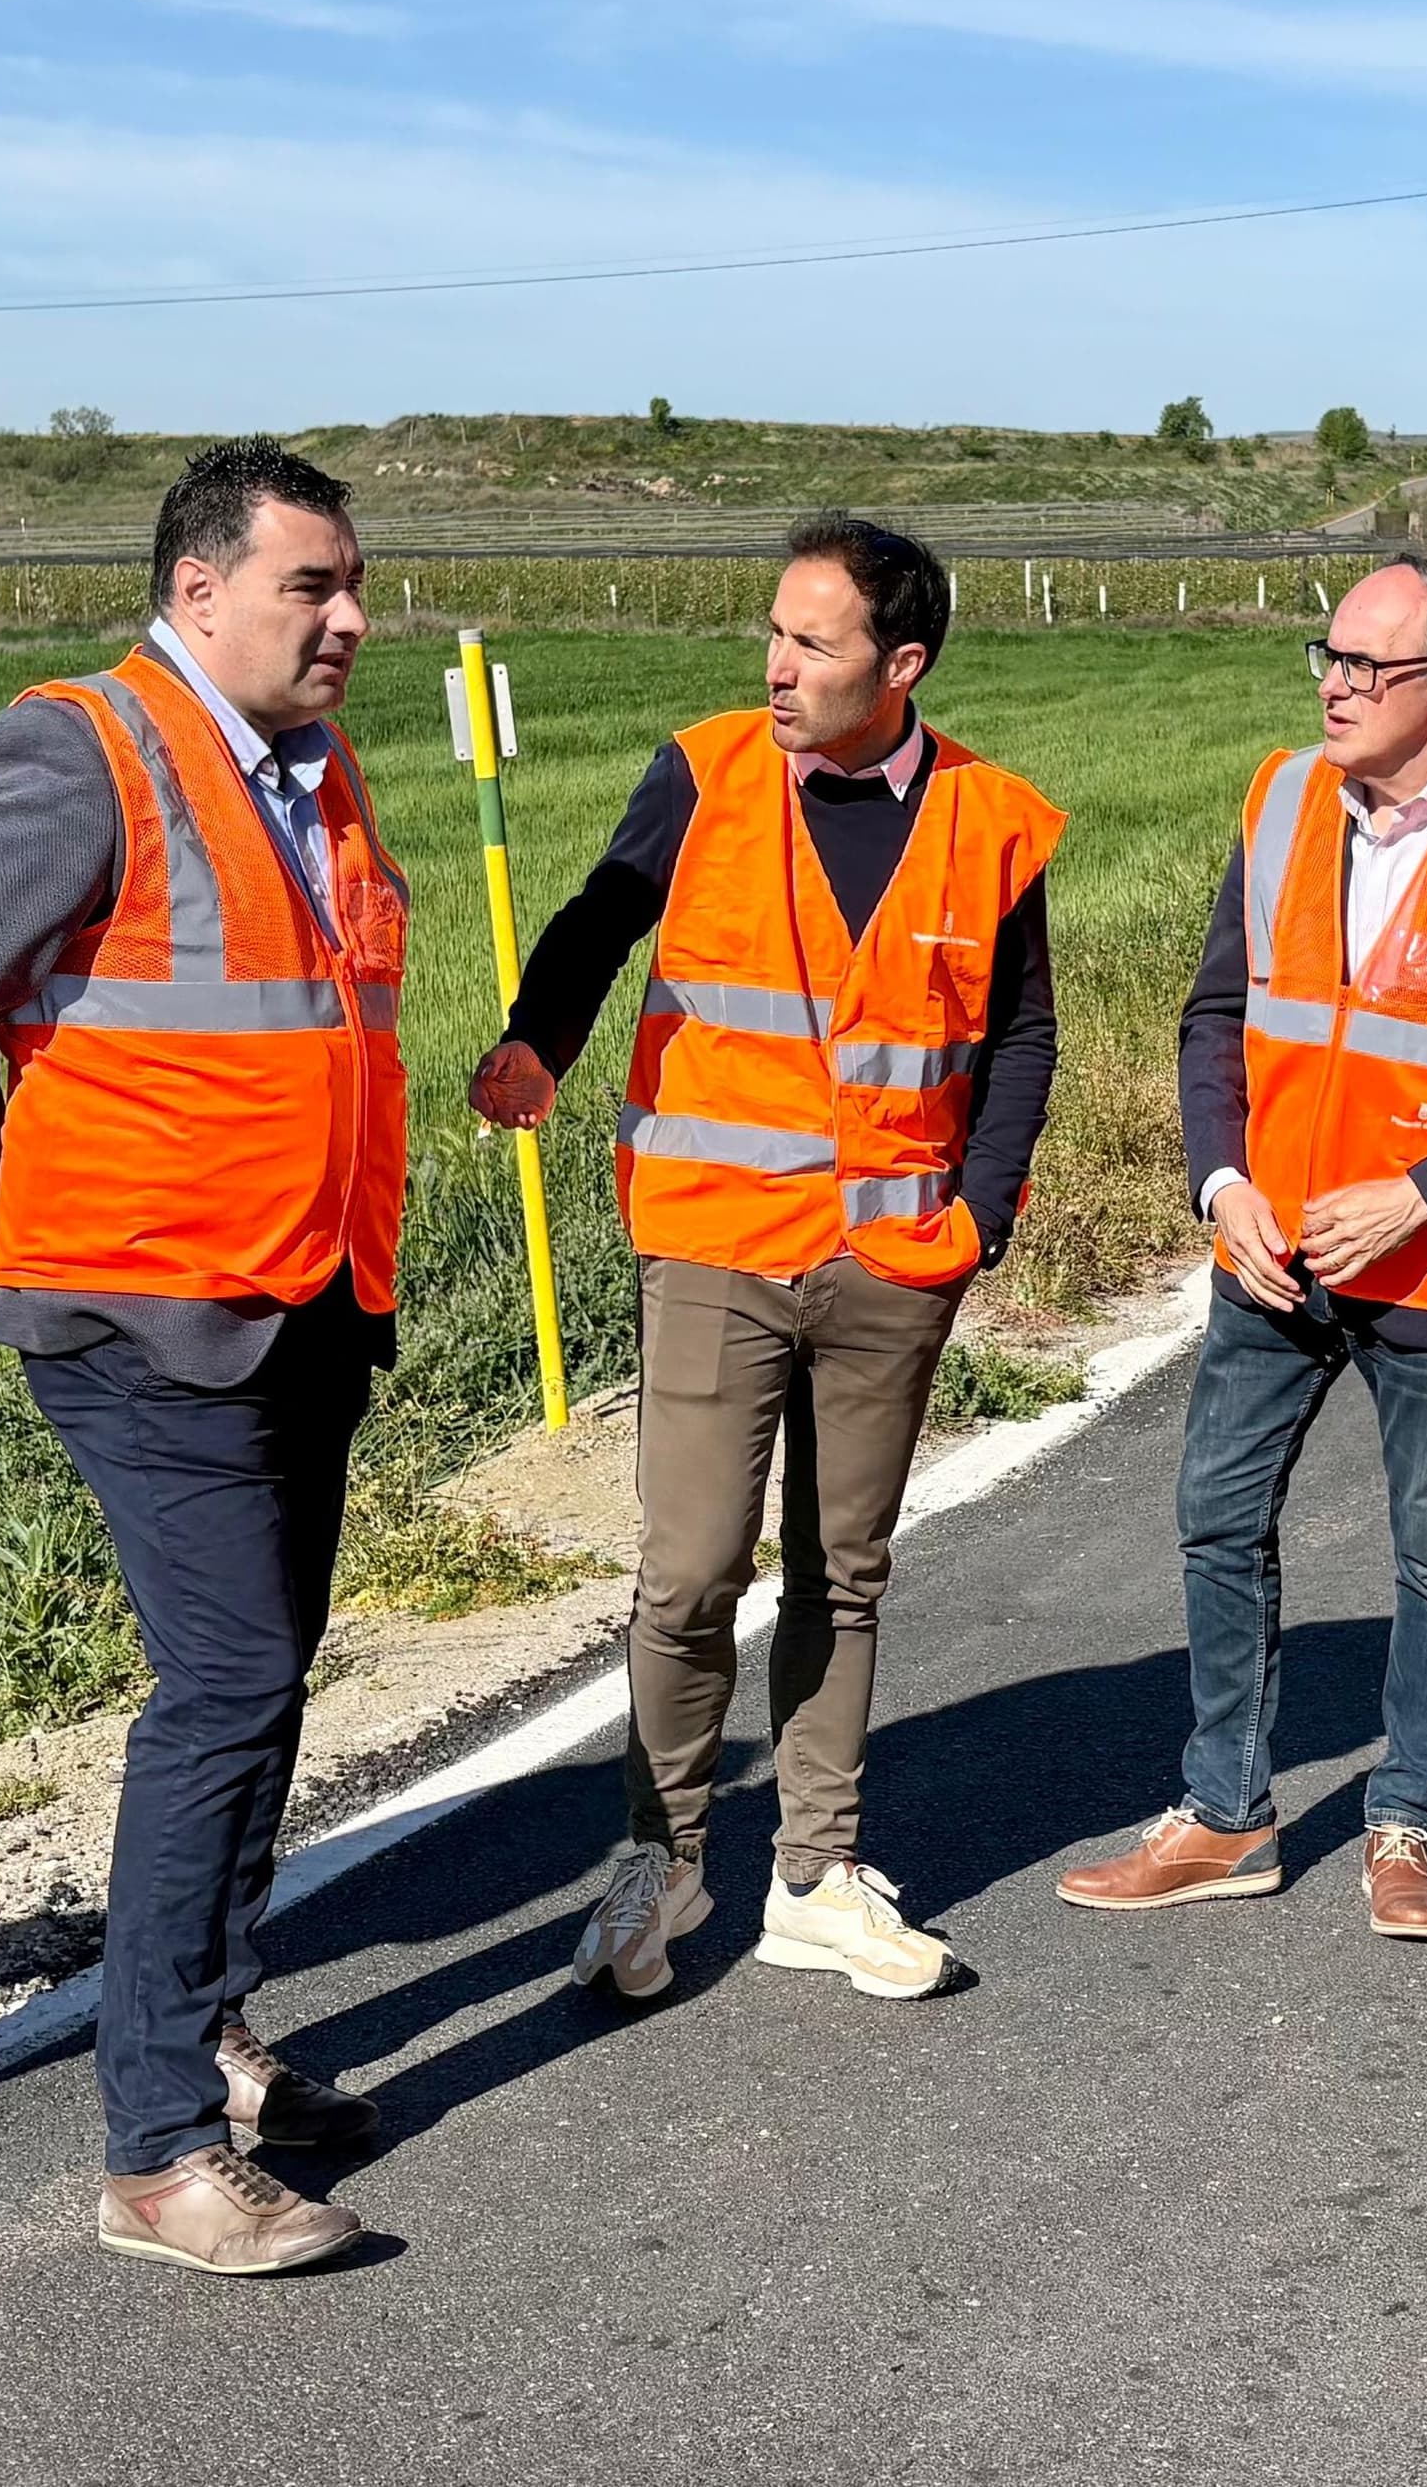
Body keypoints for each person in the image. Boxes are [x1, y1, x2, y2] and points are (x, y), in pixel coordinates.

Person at [0, 439, 402, 2277]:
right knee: (227, 1682)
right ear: (198, 589)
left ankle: (217, 2021)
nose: (348, 618)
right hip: (141, 1310)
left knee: (267, 1676)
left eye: (352, 585)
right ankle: (157, 2140)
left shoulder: (314, 778)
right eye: (309, 586)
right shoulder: (84, 747)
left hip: (304, 1298)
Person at [472, 516, 1063, 2004]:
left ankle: (815, 1873)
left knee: (842, 1573)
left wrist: (980, 1217)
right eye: (776, 633)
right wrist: (537, 1040)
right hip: (715, 1245)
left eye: (812, 641)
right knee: (685, 1574)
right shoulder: (706, 769)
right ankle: (659, 1860)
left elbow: (1023, 1031)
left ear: (900, 662)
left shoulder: (993, 819)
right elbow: (603, 917)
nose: (776, 664)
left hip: (890, 1261)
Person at [1059, 558, 1427, 1941]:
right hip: (1271, 1251)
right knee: (1215, 1512)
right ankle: (1226, 1814)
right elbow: (1216, 1016)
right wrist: (1219, 1181)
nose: (1330, 682)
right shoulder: (1277, 801)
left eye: (1364, 667)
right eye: (1325, 655)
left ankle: (1405, 1821)